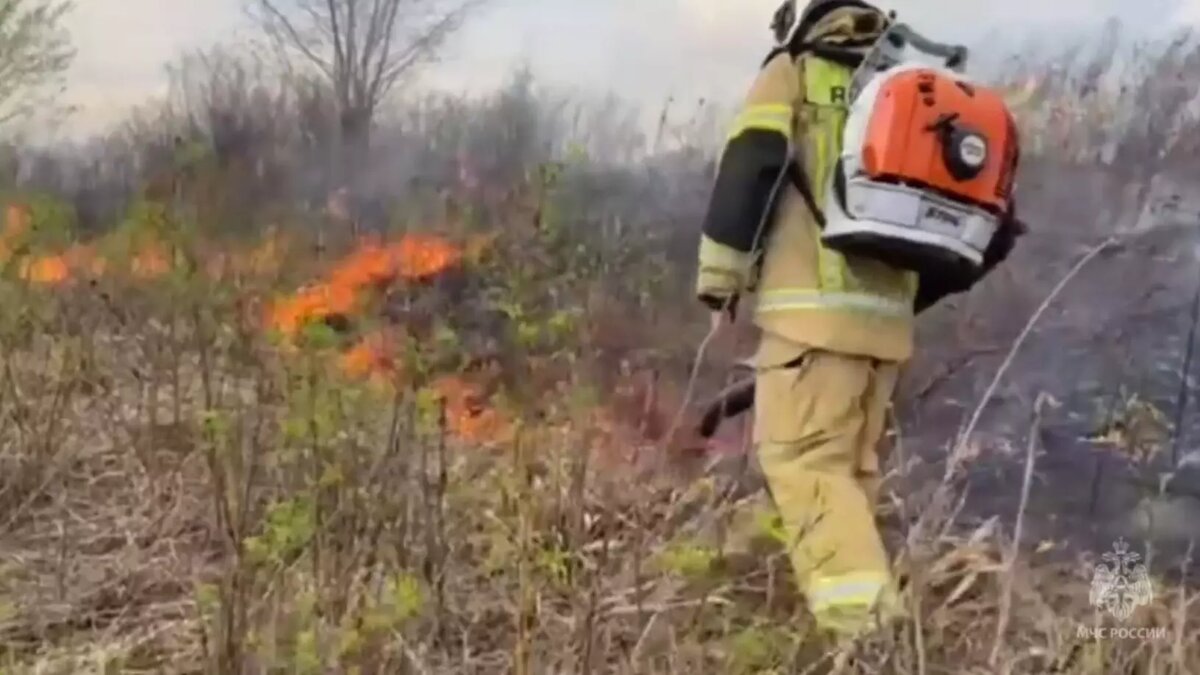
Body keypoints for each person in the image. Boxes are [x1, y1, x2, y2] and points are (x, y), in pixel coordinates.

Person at [693, 0, 1024, 644]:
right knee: (847, 477)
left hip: (811, 322)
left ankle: (871, 641)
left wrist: (719, 277)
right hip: (884, 333)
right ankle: (817, 615)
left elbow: (752, 162)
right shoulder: (907, 82)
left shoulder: (797, 72)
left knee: (806, 468)